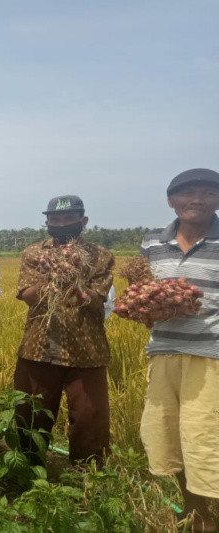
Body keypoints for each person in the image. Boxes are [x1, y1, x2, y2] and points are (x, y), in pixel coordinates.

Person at [139, 169, 219, 531]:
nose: (197, 200)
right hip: (164, 351)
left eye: (207, 193)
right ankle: (193, 511)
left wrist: (191, 303)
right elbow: (141, 294)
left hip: (210, 355)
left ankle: (210, 515)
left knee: (206, 435)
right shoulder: (152, 244)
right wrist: (147, 308)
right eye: (188, 193)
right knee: (169, 434)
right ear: (171, 201)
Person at [13, 195, 114, 466]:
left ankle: (89, 479)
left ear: (83, 221)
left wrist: (77, 281)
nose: (61, 224)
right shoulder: (35, 254)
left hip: (87, 351)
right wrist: (55, 275)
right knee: (31, 415)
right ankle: (28, 473)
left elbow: (96, 299)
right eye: (54, 219)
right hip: (39, 347)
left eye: (68, 219)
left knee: (89, 419)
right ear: (47, 222)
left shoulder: (100, 256)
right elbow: (29, 295)